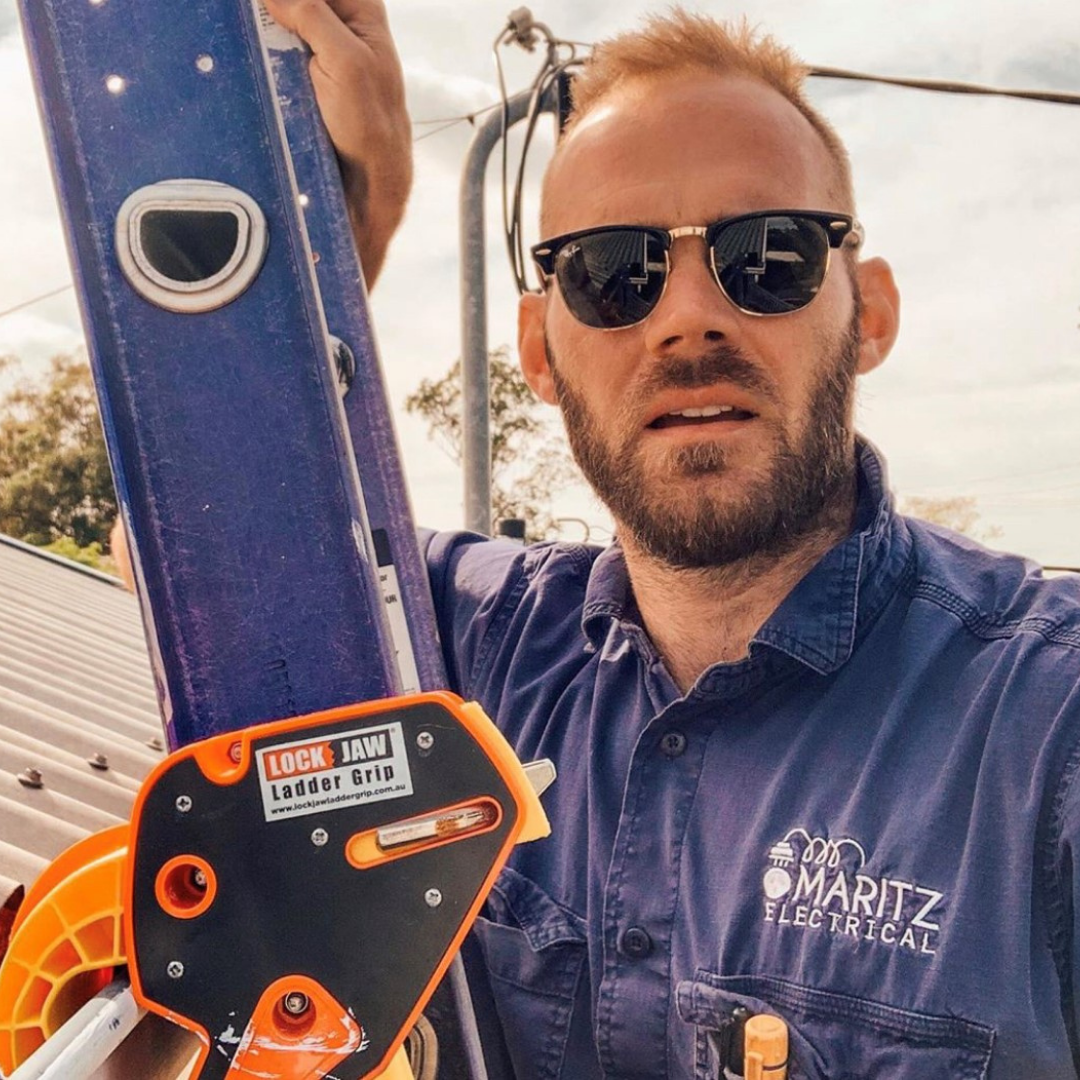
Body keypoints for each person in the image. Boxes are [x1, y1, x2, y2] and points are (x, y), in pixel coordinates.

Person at [265, 2, 1080, 1077]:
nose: (688, 318)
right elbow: (200, 567)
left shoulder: (1043, 725)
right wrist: (338, 236)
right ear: (540, 353)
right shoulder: (470, 647)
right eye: (613, 272)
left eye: (769, 256)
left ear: (868, 314)